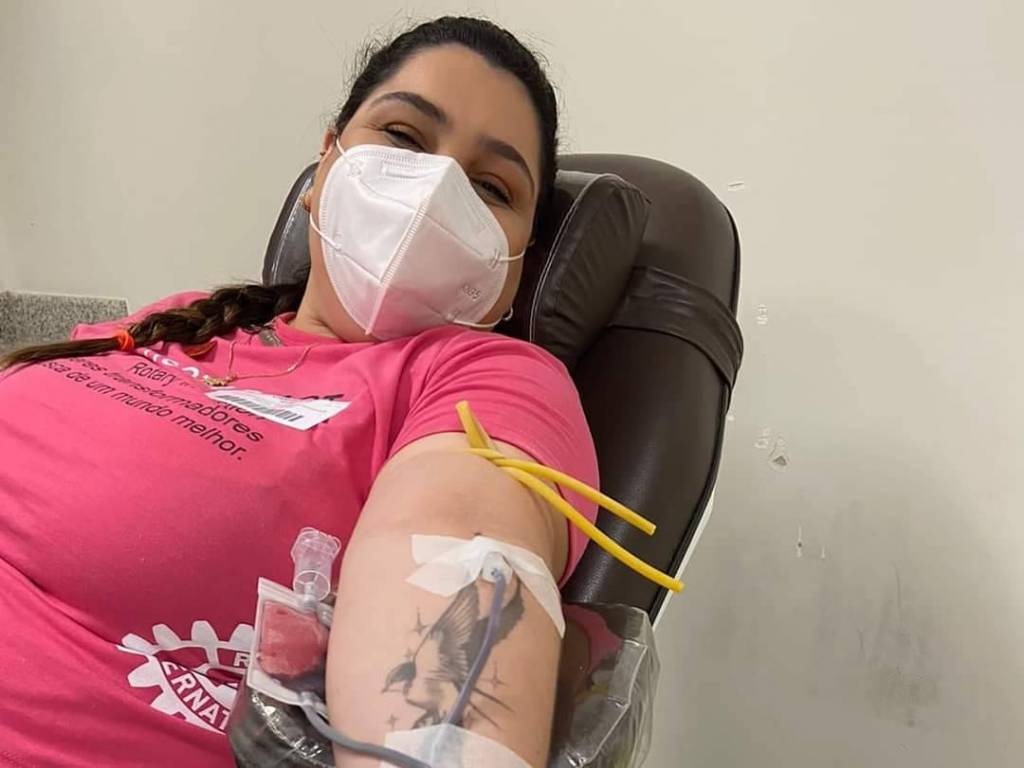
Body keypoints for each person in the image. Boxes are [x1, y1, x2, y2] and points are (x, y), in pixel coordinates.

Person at [0, 16, 599, 768]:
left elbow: (454, 550)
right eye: (404, 137)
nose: (436, 191)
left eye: (490, 187)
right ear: (324, 167)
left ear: (517, 264)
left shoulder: (493, 381)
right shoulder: (184, 318)